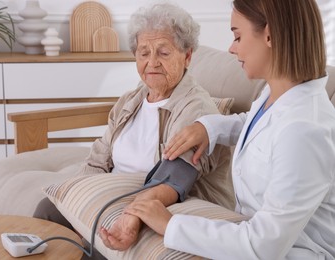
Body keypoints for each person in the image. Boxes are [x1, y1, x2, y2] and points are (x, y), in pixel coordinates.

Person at [124, 0, 335, 259]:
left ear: (269, 35)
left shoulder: (304, 131)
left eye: (237, 36)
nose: (231, 48)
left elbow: (262, 245)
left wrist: (170, 225)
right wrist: (210, 127)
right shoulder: (279, 93)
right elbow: (259, 125)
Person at [34, 2, 235, 252]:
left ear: (187, 56)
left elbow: (174, 179)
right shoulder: (131, 101)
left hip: (159, 201)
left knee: (103, 242)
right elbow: (97, 161)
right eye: (143, 53)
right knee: (48, 210)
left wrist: (129, 214)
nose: (152, 62)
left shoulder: (196, 108)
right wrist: (78, 205)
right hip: (112, 196)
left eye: (163, 52)